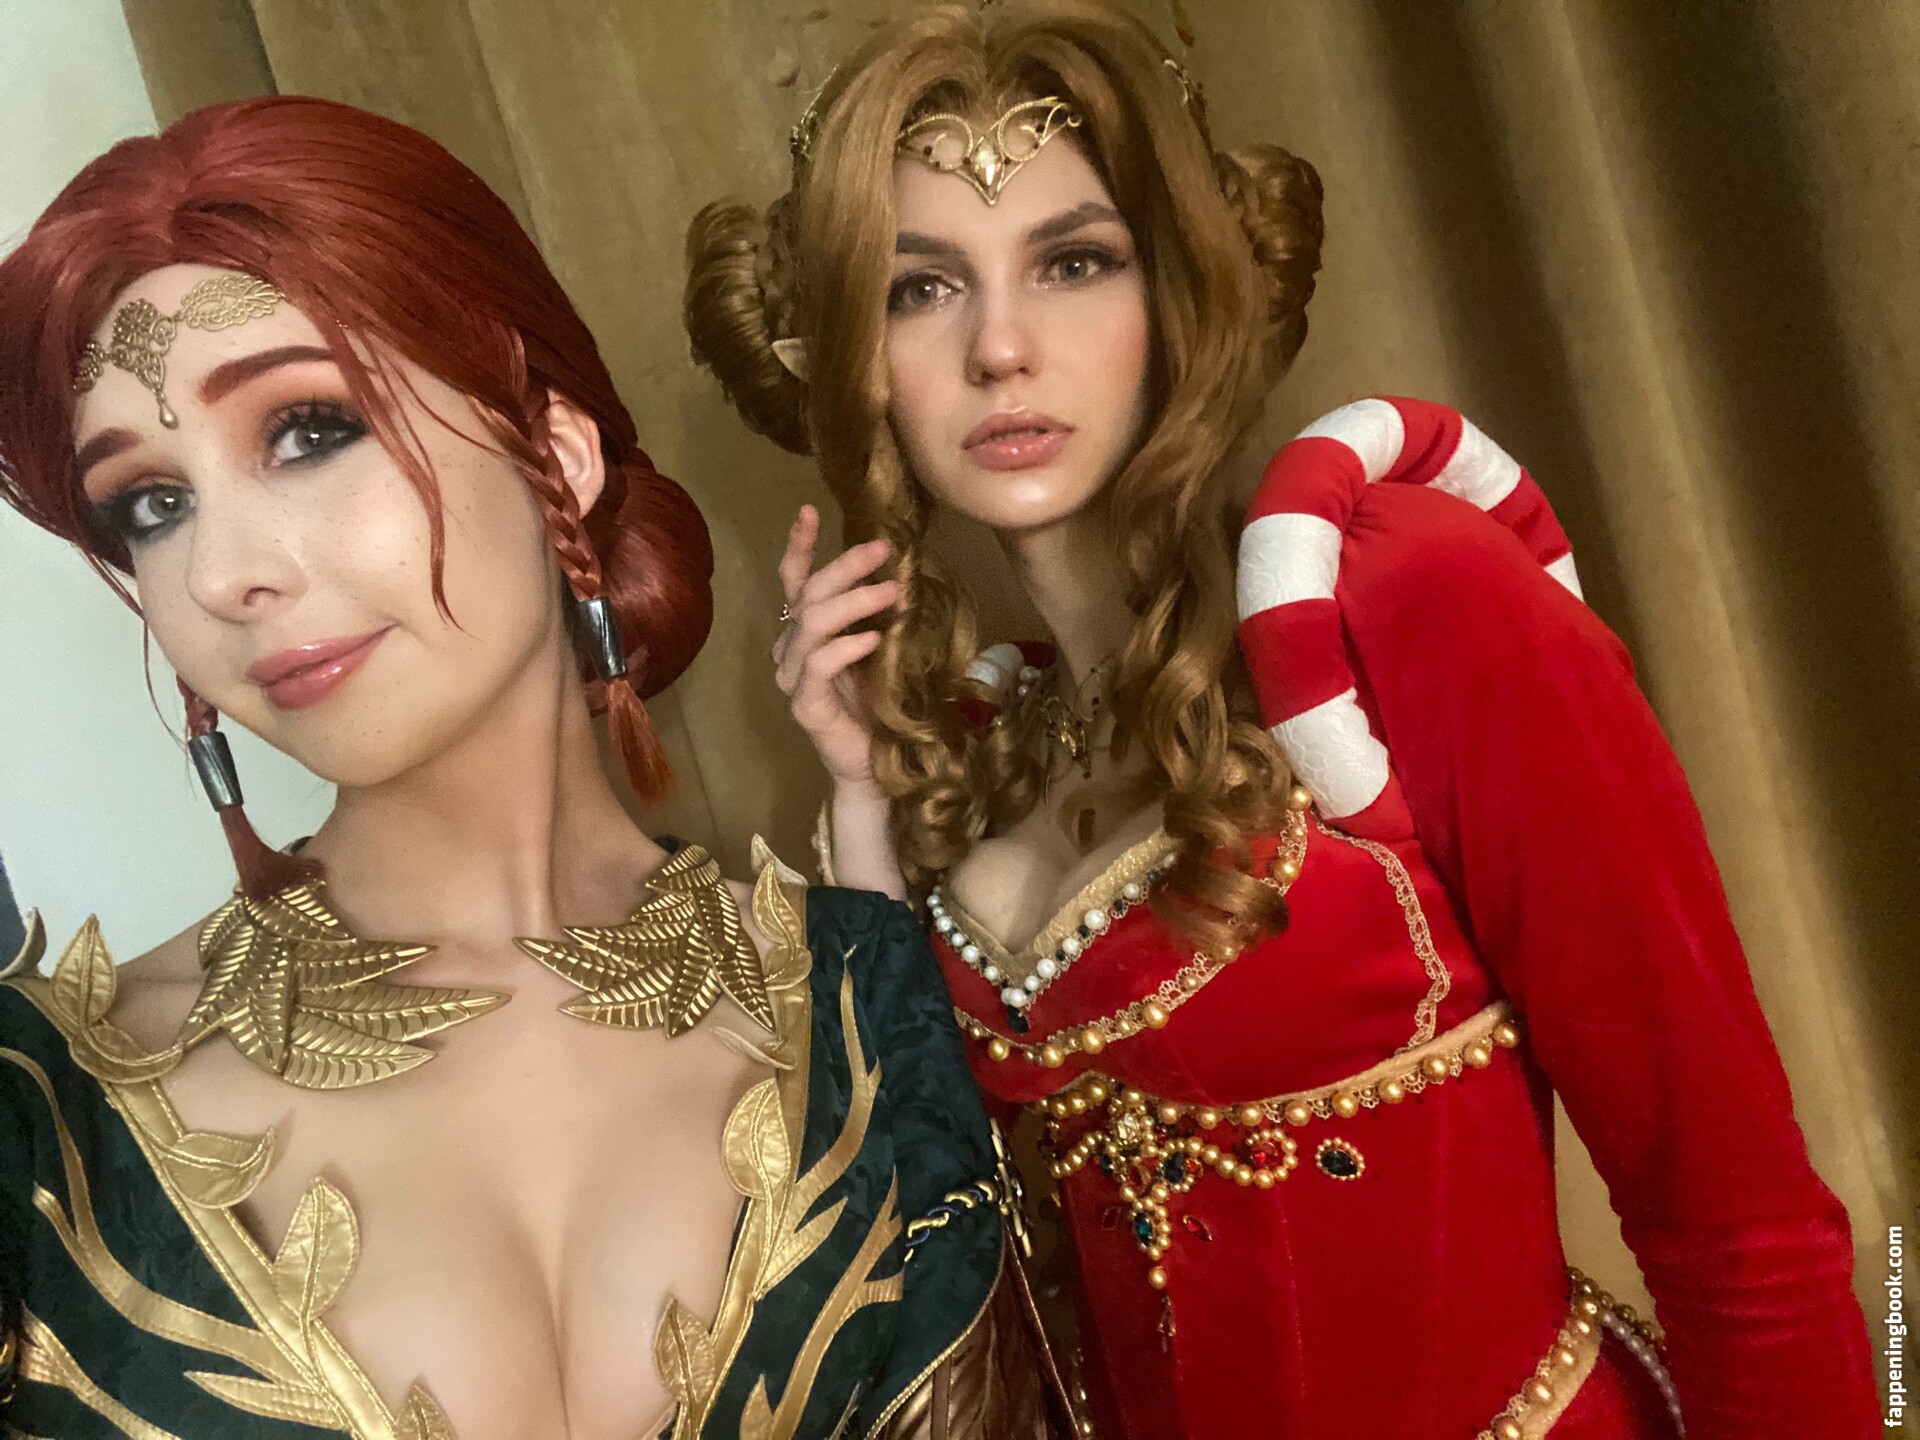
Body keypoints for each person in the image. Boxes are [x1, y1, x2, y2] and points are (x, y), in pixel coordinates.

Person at [682, 2, 1880, 1435]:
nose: (1001, 347)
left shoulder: (1403, 596)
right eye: (920, 287)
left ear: (1182, 288)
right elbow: (928, 1273)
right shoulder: (985, 747)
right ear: (853, 352)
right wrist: (861, 804)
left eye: (1075, 262)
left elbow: (1739, 1219)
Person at [0, 96, 1064, 1440]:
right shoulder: (44, 1115)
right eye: (151, 505)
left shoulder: (863, 1006)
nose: (222, 573)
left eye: (308, 430)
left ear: (550, 450)